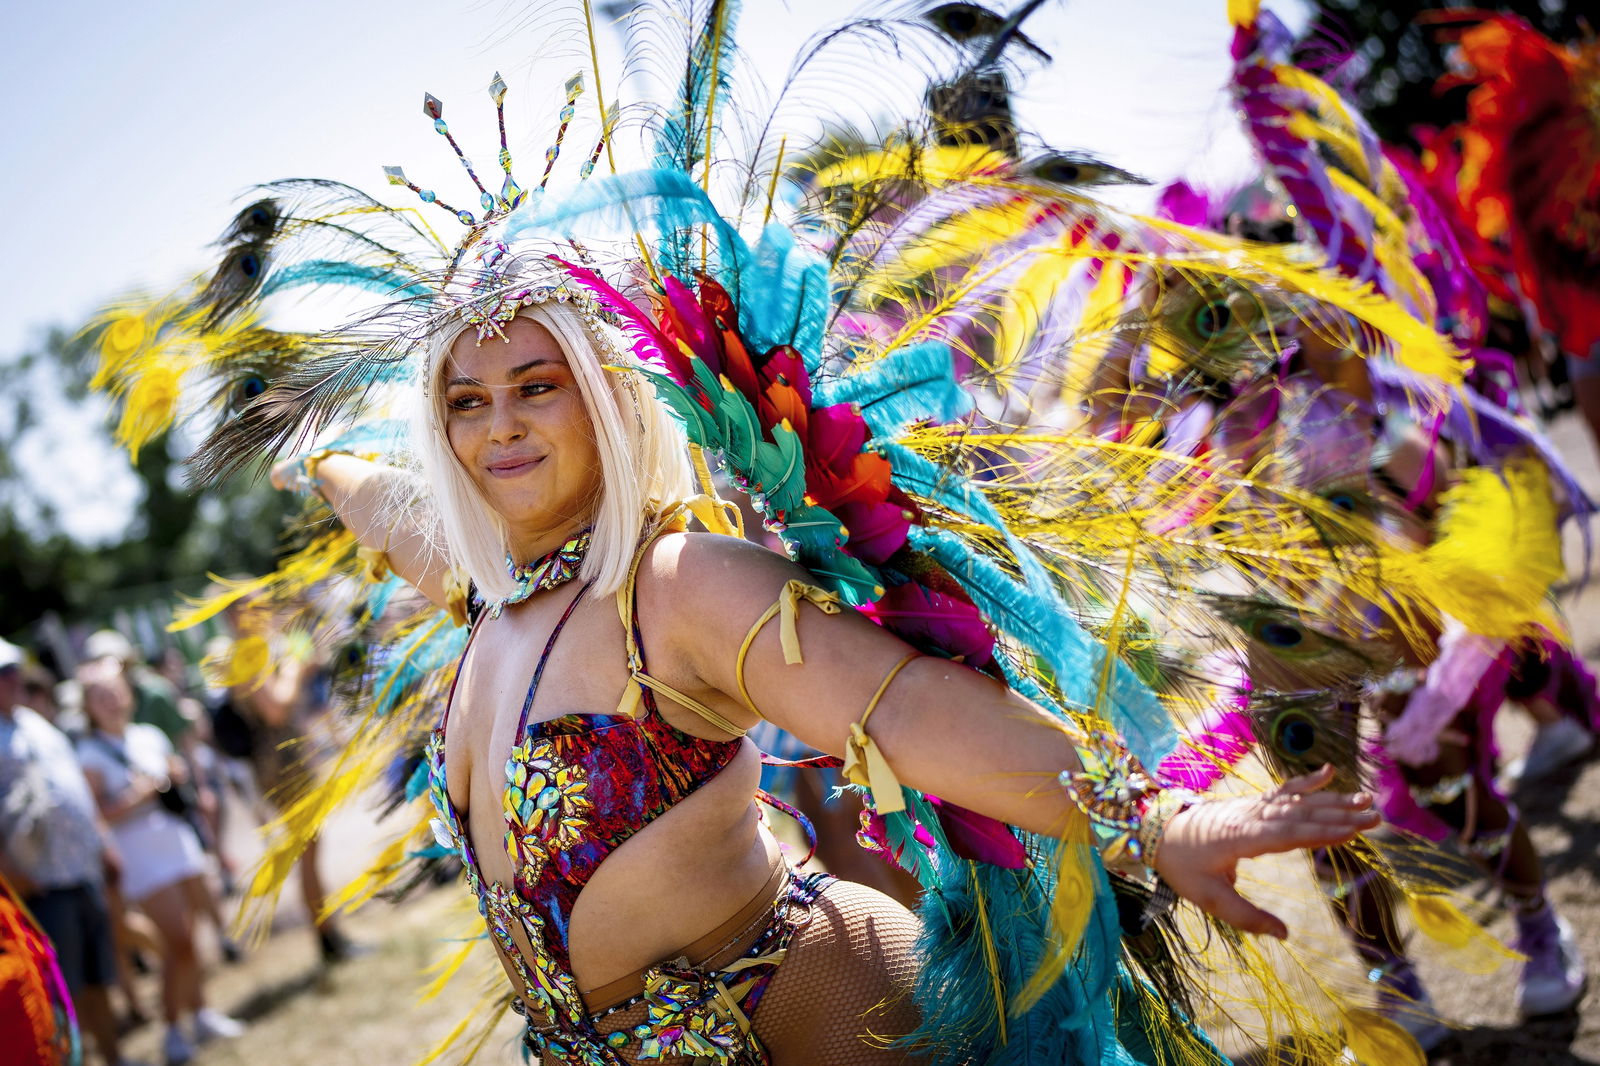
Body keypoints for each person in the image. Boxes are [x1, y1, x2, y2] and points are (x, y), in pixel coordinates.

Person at [268, 287, 1380, 1064]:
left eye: (534, 388)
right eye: (465, 403)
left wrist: (1155, 824)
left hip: (818, 1016)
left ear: (604, 399)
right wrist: (317, 459)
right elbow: (387, 509)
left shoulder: (672, 583)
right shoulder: (490, 605)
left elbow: (896, 706)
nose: (498, 427)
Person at [74, 658, 243, 1065]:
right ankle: (172, 1029)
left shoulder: (147, 735)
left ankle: (200, 1013)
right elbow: (96, 814)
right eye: (101, 695)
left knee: (191, 936)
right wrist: (137, 796)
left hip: (175, 838)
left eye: (115, 691)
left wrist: (175, 778)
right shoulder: (90, 754)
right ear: (88, 706)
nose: (112, 700)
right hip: (140, 853)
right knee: (176, 941)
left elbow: (174, 780)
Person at [0, 638, 139, 1066]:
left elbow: (74, 788)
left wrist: (102, 842)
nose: (12, 681)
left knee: (99, 978)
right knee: (61, 991)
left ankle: (115, 1058)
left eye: (12, 672)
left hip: (80, 871)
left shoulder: (34, 722)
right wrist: (11, 875)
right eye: (3, 675)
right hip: (41, 885)